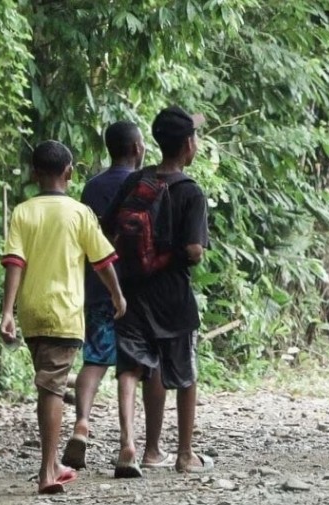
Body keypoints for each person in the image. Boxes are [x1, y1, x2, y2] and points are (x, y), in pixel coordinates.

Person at [0, 140, 127, 495]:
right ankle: (47, 471)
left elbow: (15, 262)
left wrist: (8, 311)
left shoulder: (23, 212)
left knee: (48, 385)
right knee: (52, 389)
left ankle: (53, 464)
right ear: (69, 172)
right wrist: (117, 295)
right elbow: (102, 261)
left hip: (32, 312)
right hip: (65, 312)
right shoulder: (80, 213)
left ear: (34, 173)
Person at [103, 106, 213, 476]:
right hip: (173, 296)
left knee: (134, 367)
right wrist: (178, 254)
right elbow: (194, 250)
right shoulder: (190, 191)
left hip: (132, 290)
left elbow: (108, 230)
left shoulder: (137, 181)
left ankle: (134, 446)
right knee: (183, 372)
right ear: (188, 145)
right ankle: (184, 454)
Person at [62, 121, 172, 472]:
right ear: (138, 147)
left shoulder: (92, 187)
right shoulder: (147, 184)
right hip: (137, 291)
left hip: (98, 287)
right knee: (133, 367)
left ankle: (82, 424)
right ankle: (129, 444)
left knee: (94, 360)